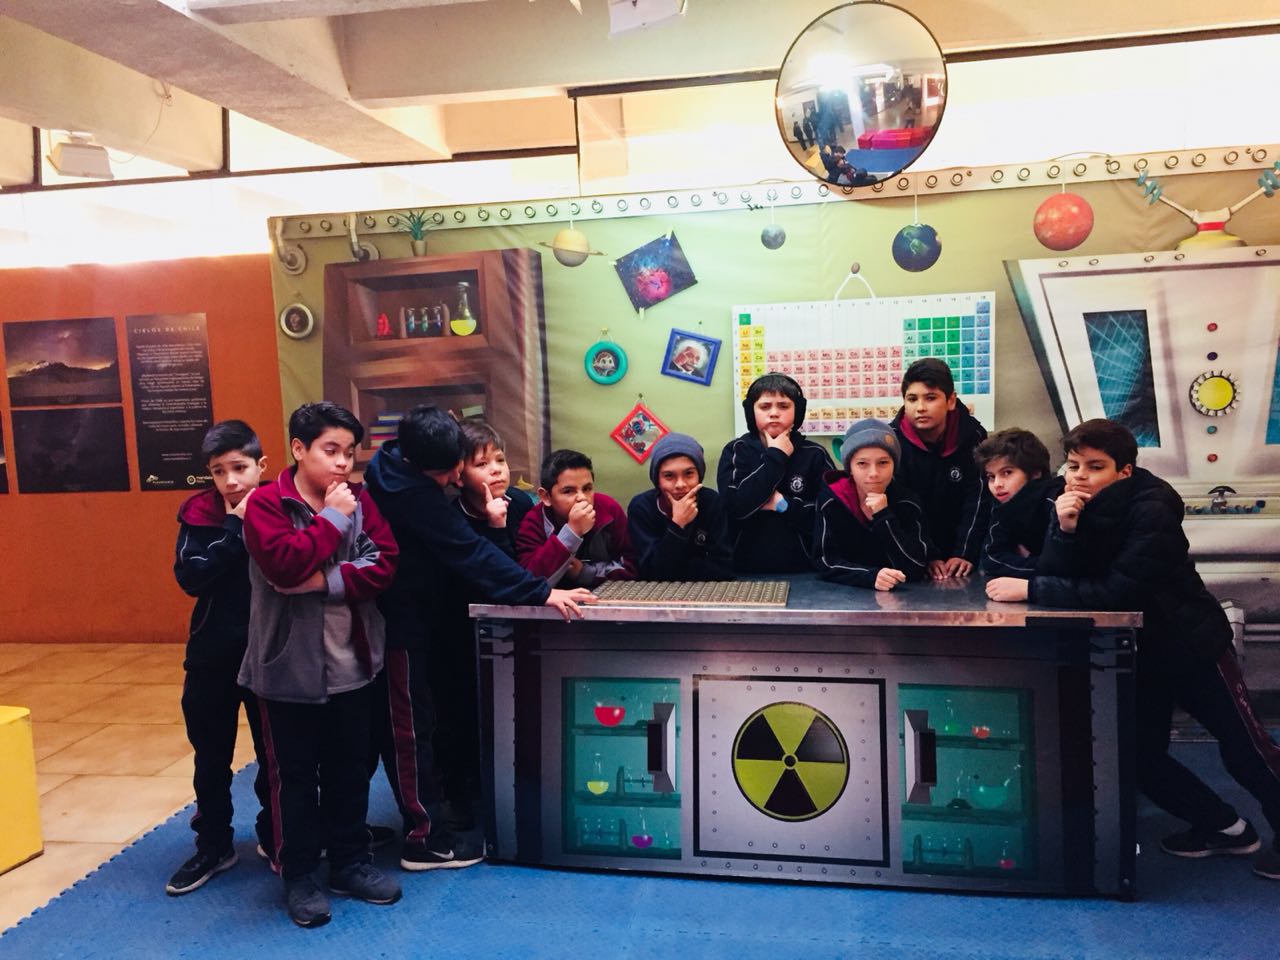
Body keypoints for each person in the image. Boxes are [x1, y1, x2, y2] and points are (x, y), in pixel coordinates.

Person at [986, 419, 1280, 880]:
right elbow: (1061, 570)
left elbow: (1117, 592)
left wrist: (1032, 588)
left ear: (1124, 471)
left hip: (1192, 646)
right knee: (1139, 756)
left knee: (1247, 749)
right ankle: (1222, 826)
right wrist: (1064, 529)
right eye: (1074, 465)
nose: (1080, 476)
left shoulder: (1152, 508)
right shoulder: (1073, 504)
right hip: (1142, 652)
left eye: (1095, 467)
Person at [365, 407, 593, 871]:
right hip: (402, 625)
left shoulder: (394, 458)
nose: (455, 477)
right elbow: (473, 555)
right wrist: (540, 592)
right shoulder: (417, 497)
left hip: (426, 623)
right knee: (411, 731)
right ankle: (425, 840)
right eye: (461, 468)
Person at [240, 401, 401, 928]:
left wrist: (323, 581)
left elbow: (384, 564)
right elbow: (283, 564)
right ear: (298, 449)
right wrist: (332, 519)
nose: (342, 463)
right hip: (286, 669)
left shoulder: (361, 499)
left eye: (349, 453)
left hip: (353, 661)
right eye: (330, 450)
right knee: (292, 779)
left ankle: (350, 861)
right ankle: (299, 875)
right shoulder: (266, 504)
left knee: (349, 770)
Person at [165, 420, 272, 896]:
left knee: (275, 755)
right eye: (218, 471)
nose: (231, 481)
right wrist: (234, 528)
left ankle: (276, 835)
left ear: (260, 465)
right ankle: (213, 844)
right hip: (212, 654)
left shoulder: (282, 506)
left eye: (240, 468)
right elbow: (191, 578)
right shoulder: (199, 515)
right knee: (211, 756)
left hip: (269, 653)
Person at [717, 372, 835, 573]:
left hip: (805, 569)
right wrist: (776, 456)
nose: (774, 413)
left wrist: (783, 504)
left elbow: (829, 515)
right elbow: (735, 506)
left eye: (783, 406)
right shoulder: (737, 450)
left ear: (798, 410)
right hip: (743, 569)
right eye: (765, 406)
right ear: (751, 412)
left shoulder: (815, 454)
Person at [890, 358, 990, 579]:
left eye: (930, 398)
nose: (920, 407)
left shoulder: (973, 436)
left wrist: (965, 552)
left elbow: (978, 499)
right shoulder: (891, 442)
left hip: (965, 557)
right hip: (916, 556)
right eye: (912, 399)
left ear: (951, 400)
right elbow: (901, 508)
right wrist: (926, 555)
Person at [813, 419, 931, 590]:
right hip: (843, 596)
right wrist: (870, 576)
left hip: (904, 597)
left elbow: (916, 566)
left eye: (883, 463)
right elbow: (825, 561)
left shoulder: (908, 503)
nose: (874, 473)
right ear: (850, 468)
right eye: (862, 464)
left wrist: (884, 515)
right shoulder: (831, 501)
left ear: (894, 465)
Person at [516, 449, 637, 587]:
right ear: (546, 497)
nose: (582, 498)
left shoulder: (608, 509)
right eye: (568, 491)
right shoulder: (534, 520)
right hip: (554, 599)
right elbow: (529, 583)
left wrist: (584, 572)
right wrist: (572, 532)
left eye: (587, 489)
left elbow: (631, 569)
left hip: (603, 596)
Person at [627, 432, 733, 581]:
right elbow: (650, 573)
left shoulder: (712, 502)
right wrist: (677, 525)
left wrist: (673, 568)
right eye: (669, 476)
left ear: (699, 475)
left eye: (689, 473)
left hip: (707, 590)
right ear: (657, 480)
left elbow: (723, 568)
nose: (680, 484)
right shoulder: (641, 507)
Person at [973, 428, 1063, 577]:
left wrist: (1029, 562)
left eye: (1007, 472)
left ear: (1035, 473)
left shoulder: (1057, 501)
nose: (997, 484)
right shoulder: (1003, 506)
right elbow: (992, 560)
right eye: (991, 476)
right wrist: (1039, 565)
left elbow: (1067, 566)